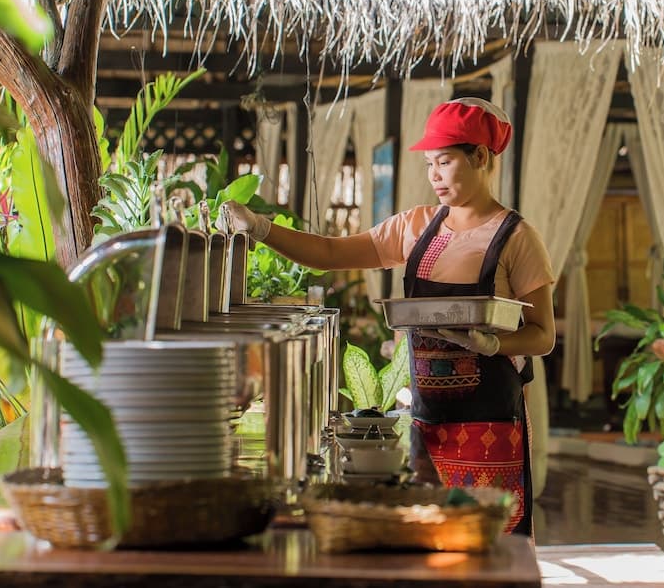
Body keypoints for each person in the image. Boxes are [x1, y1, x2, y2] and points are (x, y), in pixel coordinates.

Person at [221, 97, 556, 535]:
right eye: (429, 164)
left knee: (489, 542)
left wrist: (494, 344)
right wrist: (262, 228)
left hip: (489, 423)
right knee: (426, 540)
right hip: (426, 422)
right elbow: (329, 253)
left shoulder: (517, 237)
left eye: (445, 162)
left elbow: (542, 335)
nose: (434, 174)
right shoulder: (415, 227)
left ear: (480, 157)